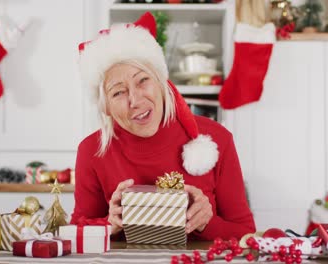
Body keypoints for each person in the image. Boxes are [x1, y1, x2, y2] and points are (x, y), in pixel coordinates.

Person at [71, 12, 255, 241]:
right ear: (105, 106)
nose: (135, 100)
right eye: (118, 92)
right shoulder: (91, 151)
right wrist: (109, 224)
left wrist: (207, 222)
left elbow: (246, 233)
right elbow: (76, 234)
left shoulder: (217, 138)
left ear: (161, 83)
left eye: (143, 81)